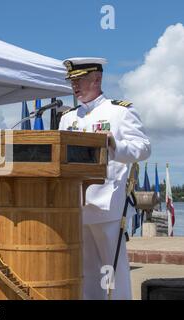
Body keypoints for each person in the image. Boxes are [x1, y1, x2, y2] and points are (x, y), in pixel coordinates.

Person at [58, 57, 151, 299]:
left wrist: (115, 144)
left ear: (97, 79)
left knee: (112, 266)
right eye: (72, 82)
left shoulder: (119, 111)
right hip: (77, 201)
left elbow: (143, 148)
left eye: (79, 81)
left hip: (109, 202)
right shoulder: (68, 118)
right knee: (86, 267)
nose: (74, 87)